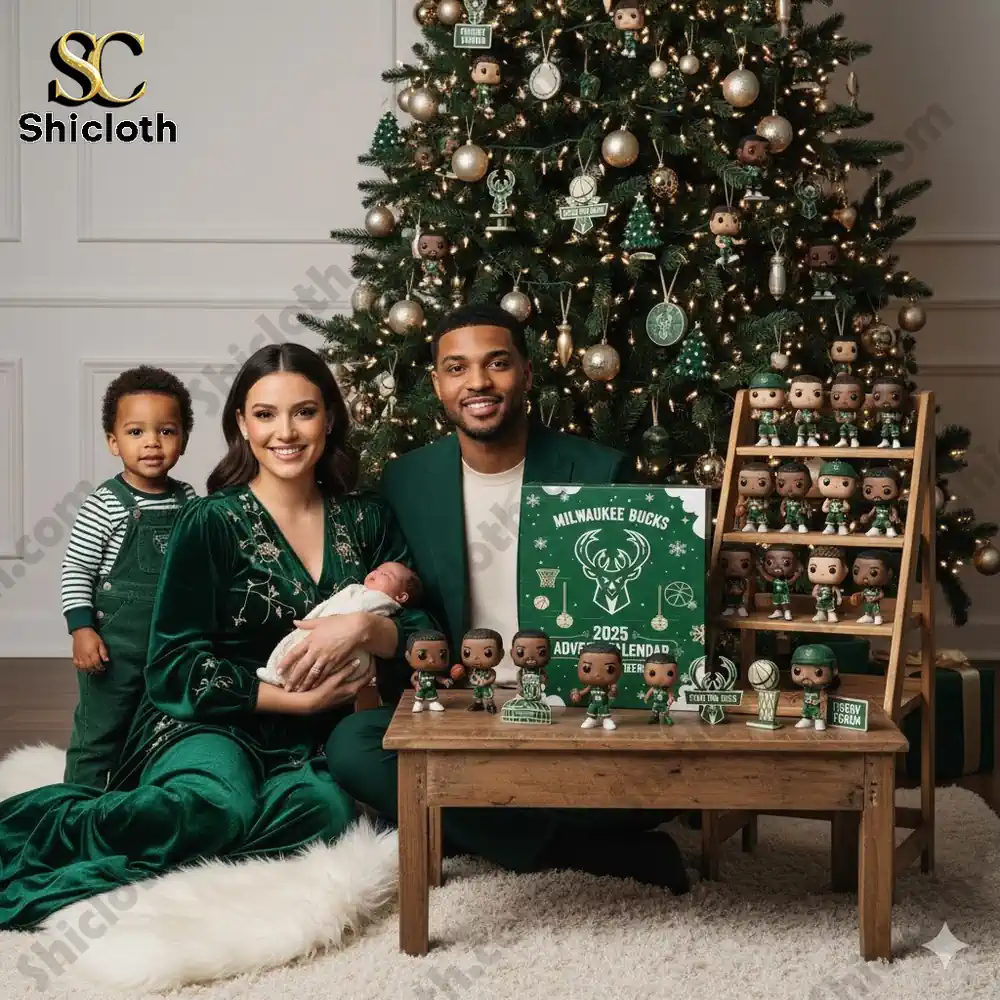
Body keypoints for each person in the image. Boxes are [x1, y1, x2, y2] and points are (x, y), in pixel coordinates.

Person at [0, 344, 433, 930]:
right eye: (265, 414)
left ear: (329, 419)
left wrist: (364, 625)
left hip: (309, 741)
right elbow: (173, 664)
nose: (285, 432)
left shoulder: (368, 519)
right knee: (213, 805)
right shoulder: (210, 522)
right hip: (203, 719)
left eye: (304, 412)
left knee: (326, 816)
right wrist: (293, 698)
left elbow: (422, 637)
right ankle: (37, 831)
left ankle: (186, 860)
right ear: (241, 425)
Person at [327, 305, 689, 894]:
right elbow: (404, 605)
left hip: (573, 706)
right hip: (462, 710)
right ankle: (579, 848)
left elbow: (642, 613)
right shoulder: (406, 480)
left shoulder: (600, 470)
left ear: (525, 372)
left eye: (497, 363)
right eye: (456, 368)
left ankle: (465, 818)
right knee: (353, 749)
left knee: (656, 784)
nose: (478, 383)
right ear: (438, 384)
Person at [61, 366, 198, 790]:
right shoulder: (106, 503)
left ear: (184, 440)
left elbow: (195, 565)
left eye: (167, 431)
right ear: (113, 442)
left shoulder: (188, 497)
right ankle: (73, 806)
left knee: (149, 731)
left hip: (170, 643)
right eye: (136, 432)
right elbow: (77, 568)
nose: (152, 443)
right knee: (99, 732)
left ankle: (126, 803)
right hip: (115, 647)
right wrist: (82, 628)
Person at [257, 560, 422, 687]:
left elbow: (356, 612)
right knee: (295, 645)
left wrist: (339, 622)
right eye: (377, 569)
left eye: (386, 575)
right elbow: (327, 606)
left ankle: (282, 676)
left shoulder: (382, 601)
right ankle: (276, 672)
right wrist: (310, 621)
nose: (377, 573)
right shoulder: (357, 590)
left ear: (401, 597)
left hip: (346, 643)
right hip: (323, 628)